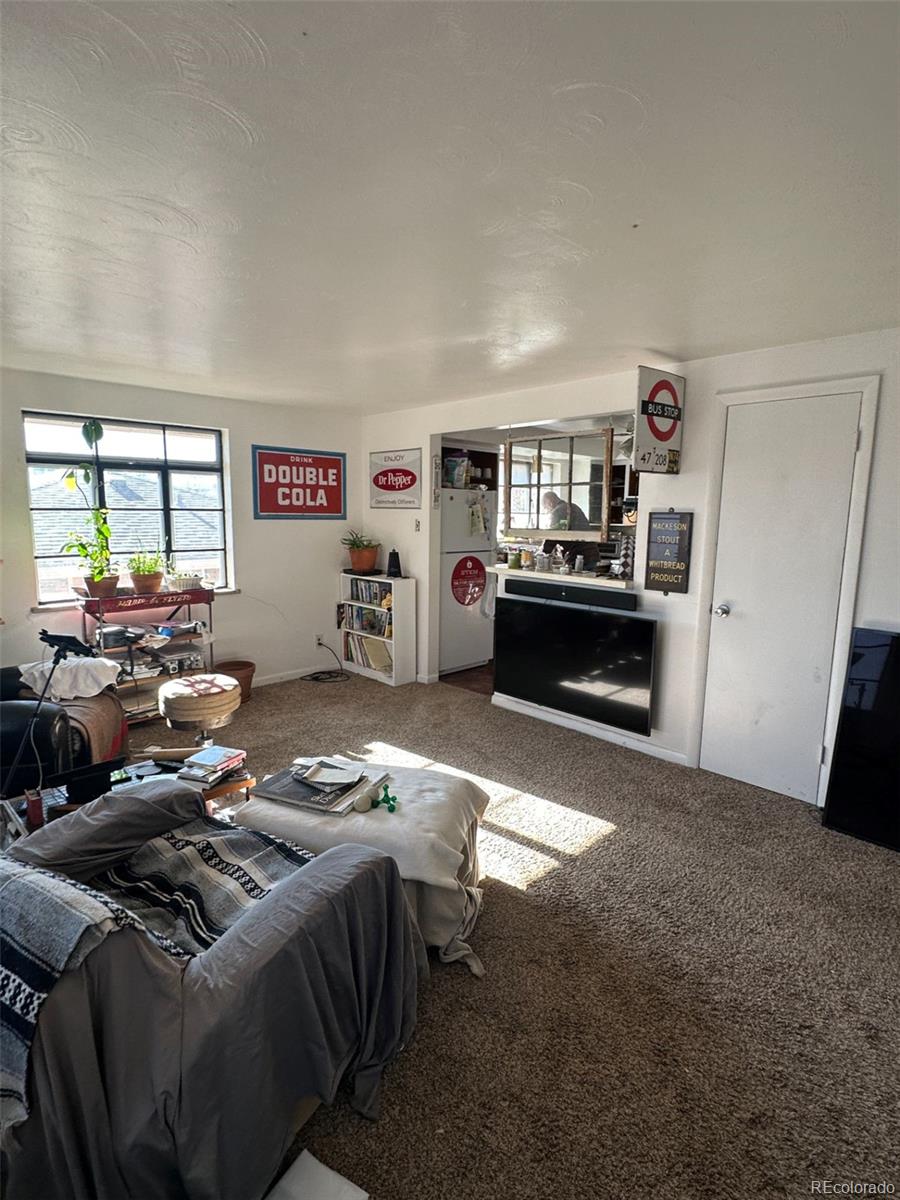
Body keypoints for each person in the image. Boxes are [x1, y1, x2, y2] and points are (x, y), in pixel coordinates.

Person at [540, 492, 599, 567]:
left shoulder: (557, 511)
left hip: (578, 556)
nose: (547, 510)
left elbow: (554, 534)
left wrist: (544, 552)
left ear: (550, 503)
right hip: (591, 552)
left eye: (545, 507)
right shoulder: (572, 506)